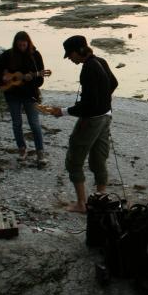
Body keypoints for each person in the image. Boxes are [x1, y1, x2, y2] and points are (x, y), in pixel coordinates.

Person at [49, 35, 118, 213]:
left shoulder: (88, 69)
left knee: (74, 160)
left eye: (70, 55)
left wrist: (62, 112)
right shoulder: (101, 61)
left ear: (79, 51)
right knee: (98, 158)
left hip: (92, 121)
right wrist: (104, 100)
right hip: (106, 117)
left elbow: (87, 105)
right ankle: (100, 198)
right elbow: (114, 83)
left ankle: (81, 204)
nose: (70, 59)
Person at [0, 31, 50, 163]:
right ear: (16, 44)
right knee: (17, 123)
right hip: (12, 94)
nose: (22, 47)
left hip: (30, 94)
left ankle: (40, 152)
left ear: (28, 43)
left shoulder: (35, 56)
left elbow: (40, 80)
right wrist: (3, 77)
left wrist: (31, 79)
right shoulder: (8, 55)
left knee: (34, 123)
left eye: (24, 45)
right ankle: (22, 149)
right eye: (19, 45)